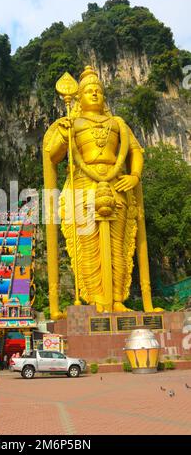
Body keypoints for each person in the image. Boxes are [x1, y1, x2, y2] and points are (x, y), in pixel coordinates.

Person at [43, 65, 162, 315]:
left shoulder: (117, 123)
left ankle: (117, 299)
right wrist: (64, 136)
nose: (95, 94)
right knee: (87, 244)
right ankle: (96, 298)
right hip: (84, 186)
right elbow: (52, 156)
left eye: (98, 90)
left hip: (117, 182)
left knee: (118, 245)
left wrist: (134, 176)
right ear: (79, 97)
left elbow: (135, 151)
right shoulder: (72, 123)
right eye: (89, 91)